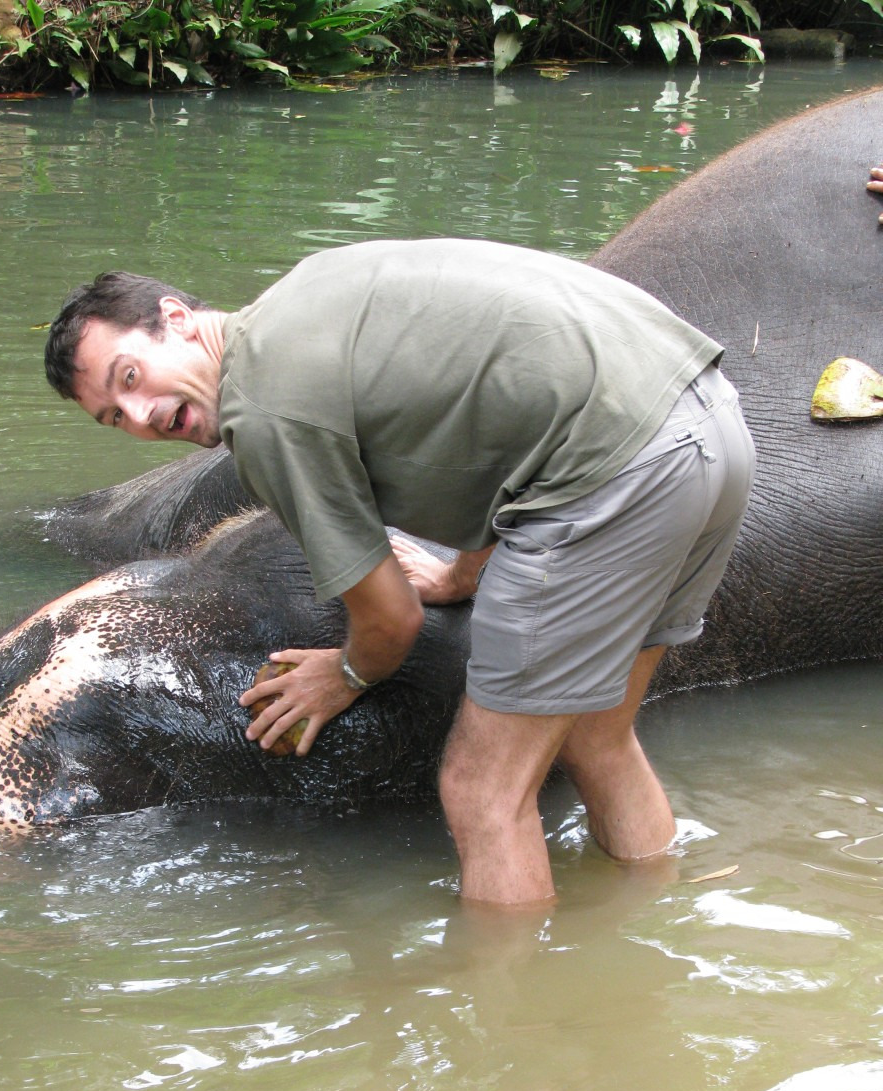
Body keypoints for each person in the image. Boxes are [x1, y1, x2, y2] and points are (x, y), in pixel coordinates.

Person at [44, 238, 755, 907]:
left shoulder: (263, 409)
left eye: (130, 377)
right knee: (598, 735)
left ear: (176, 319)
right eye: (115, 417)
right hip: (708, 425)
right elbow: (506, 421)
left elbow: (392, 620)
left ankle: (514, 1024)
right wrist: (462, 577)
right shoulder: (311, 293)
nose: (140, 415)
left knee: (483, 793)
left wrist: (349, 672)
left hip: (619, 472)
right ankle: (652, 934)